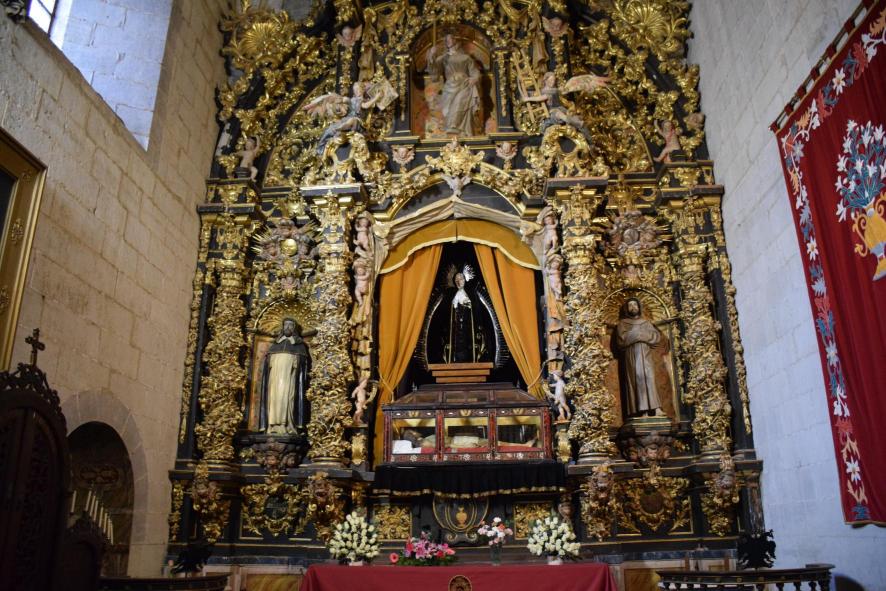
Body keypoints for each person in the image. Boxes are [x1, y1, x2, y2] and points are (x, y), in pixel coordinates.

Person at [614, 298, 664, 417]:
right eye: (630, 305)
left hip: (646, 355)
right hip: (632, 355)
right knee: (638, 380)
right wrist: (636, 334)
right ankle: (643, 411)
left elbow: (655, 336)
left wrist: (641, 335)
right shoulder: (623, 324)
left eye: (635, 304)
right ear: (627, 309)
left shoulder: (646, 323)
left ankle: (656, 409)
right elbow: (621, 340)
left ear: (639, 307)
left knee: (650, 379)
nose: (633, 307)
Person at [259, 318, 309, 434]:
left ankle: (287, 425)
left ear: (294, 328)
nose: (287, 327)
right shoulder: (275, 344)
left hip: (289, 377)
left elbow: (302, 363)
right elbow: (267, 363)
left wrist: (295, 361)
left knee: (287, 398)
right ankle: (272, 426)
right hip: (275, 377)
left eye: (290, 325)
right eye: (286, 325)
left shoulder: (299, 345)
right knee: (274, 398)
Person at [427, 34, 481, 136]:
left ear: (455, 40)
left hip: (464, 85)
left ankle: (460, 129)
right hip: (450, 87)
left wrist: (474, 78)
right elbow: (434, 72)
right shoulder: (443, 58)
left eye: (450, 39)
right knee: (449, 110)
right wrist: (432, 55)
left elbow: (474, 72)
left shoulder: (466, 58)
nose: (448, 41)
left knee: (460, 104)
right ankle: (451, 127)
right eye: (446, 39)